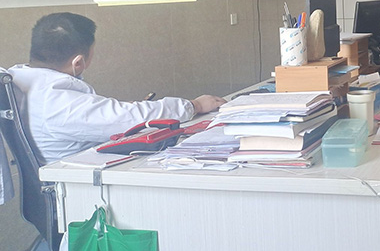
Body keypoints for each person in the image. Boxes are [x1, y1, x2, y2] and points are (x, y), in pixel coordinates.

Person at [6, 12, 226, 164]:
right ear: (78, 62)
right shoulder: (55, 101)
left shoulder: (17, 78)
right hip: (74, 188)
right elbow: (129, 118)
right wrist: (194, 105)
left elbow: (99, 115)